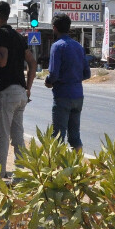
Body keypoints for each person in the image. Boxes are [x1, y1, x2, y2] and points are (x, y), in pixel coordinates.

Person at [0, 1, 37, 178]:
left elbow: (1, 61)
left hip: (7, 93)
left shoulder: (2, 34)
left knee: (2, 137)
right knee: (18, 137)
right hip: (20, 93)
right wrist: (28, 88)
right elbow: (32, 62)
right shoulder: (17, 36)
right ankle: (22, 177)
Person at [45, 13, 91, 151]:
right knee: (75, 136)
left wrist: (48, 82)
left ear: (54, 28)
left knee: (58, 136)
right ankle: (76, 168)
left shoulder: (57, 46)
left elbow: (53, 74)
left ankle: (56, 170)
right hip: (78, 95)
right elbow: (87, 73)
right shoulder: (78, 46)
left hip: (62, 95)